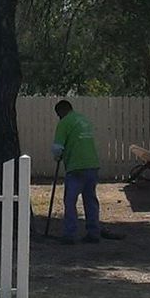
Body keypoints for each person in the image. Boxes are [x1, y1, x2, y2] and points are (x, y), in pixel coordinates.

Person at [51, 98, 104, 244]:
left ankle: (70, 234)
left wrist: (57, 157)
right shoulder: (83, 120)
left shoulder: (64, 122)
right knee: (90, 199)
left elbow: (57, 148)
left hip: (76, 166)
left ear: (61, 111)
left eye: (58, 114)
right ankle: (94, 232)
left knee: (70, 201)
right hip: (92, 164)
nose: (59, 117)